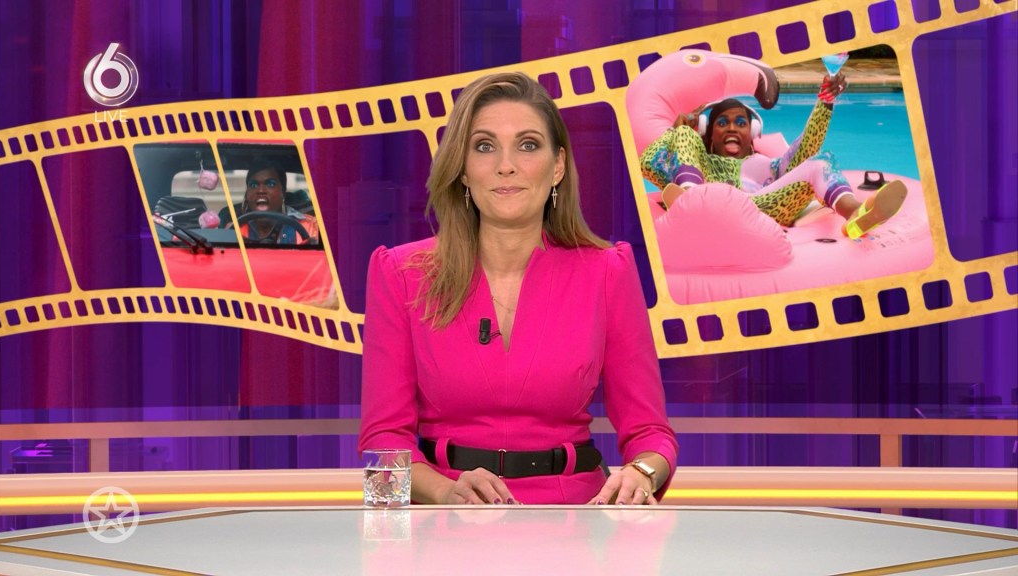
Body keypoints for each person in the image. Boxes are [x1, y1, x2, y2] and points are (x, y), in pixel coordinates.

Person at [359, 72, 678, 506]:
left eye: (528, 145)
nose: (505, 165)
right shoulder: (400, 273)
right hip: (442, 517)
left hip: (576, 517)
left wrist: (642, 473)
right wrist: (446, 493)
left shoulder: (607, 271)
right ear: (463, 169)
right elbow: (380, 447)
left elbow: (651, 435)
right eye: (484, 146)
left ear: (557, 166)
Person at [641, 72, 906, 239]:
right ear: (709, 134)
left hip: (760, 207)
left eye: (740, 123)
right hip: (708, 204)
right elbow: (648, 164)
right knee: (683, 137)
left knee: (820, 161)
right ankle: (690, 205)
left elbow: (806, 148)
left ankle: (856, 214)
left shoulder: (766, 166)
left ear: (752, 133)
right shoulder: (700, 163)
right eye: (722, 123)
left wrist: (825, 102)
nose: (732, 127)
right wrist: (677, 131)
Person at [237, 160, 319, 245]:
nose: (261, 191)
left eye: (271, 184)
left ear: (283, 192)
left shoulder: (311, 227)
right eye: (253, 185)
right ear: (247, 195)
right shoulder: (234, 229)